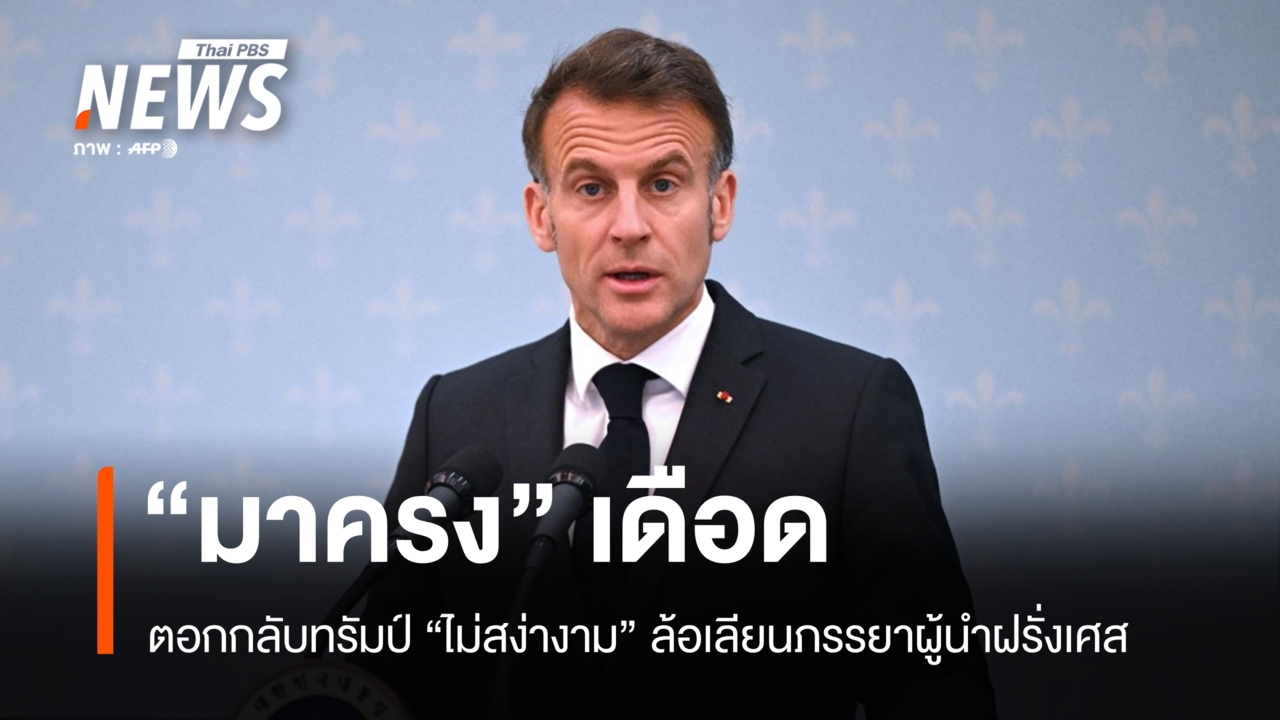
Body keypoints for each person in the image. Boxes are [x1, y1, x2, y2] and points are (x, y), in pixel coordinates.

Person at [356, 28, 996, 718]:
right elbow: (383, 687)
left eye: (663, 184)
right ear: (542, 216)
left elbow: (936, 694)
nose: (629, 226)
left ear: (719, 203)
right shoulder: (456, 417)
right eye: (592, 188)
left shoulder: (848, 412)